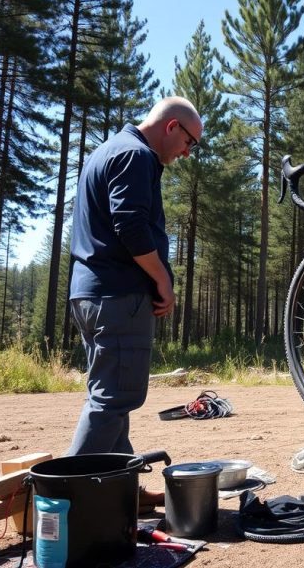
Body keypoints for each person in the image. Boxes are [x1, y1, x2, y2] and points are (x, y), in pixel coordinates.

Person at [67, 97, 202, 506]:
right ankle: (64, 502)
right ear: (172, 126)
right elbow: (130, 225)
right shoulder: (137, 156)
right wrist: (163, 279)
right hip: (119, 295)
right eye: (189, 142)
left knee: (112, 393)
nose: (186, 152)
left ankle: (125, 489)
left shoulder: (107, 151)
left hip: (90, 294)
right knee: (113, 400)